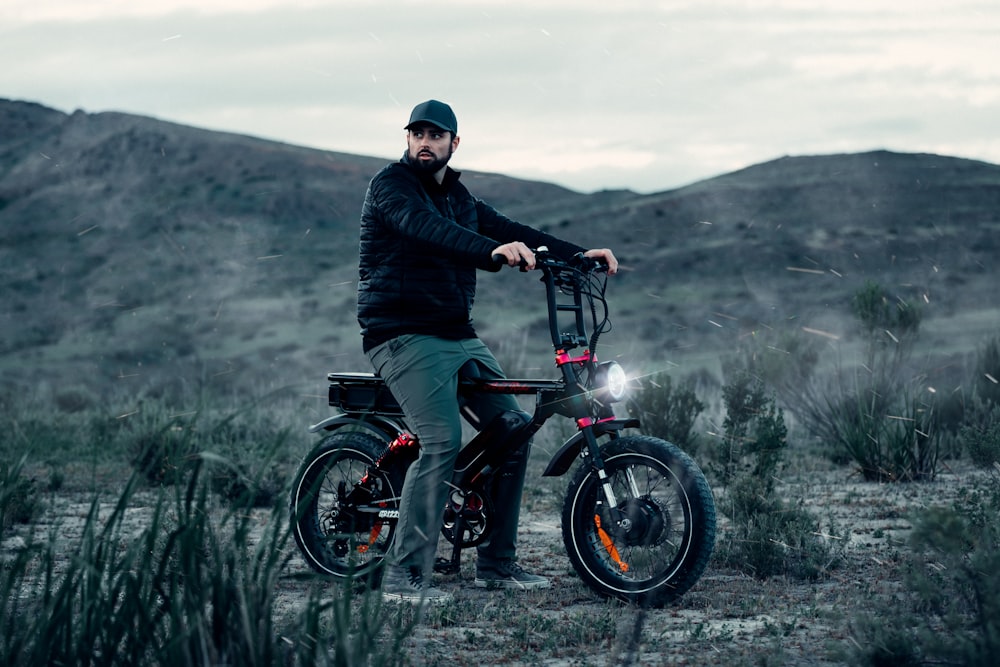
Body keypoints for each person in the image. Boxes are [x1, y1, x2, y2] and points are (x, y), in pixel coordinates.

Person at [358, 99, 618, 604]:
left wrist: (578, 253)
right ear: (408, 140)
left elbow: (510, 230)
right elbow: (428, 230)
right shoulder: (391, 187)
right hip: (400, 333)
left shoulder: (459, 196)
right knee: (440, 438)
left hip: (455, 332)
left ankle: (497, 565)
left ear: (454, 144)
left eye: (437, 136)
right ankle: (404, 574)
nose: (425, 143)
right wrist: (489, 252)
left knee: (514, 429)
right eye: (418, 134)